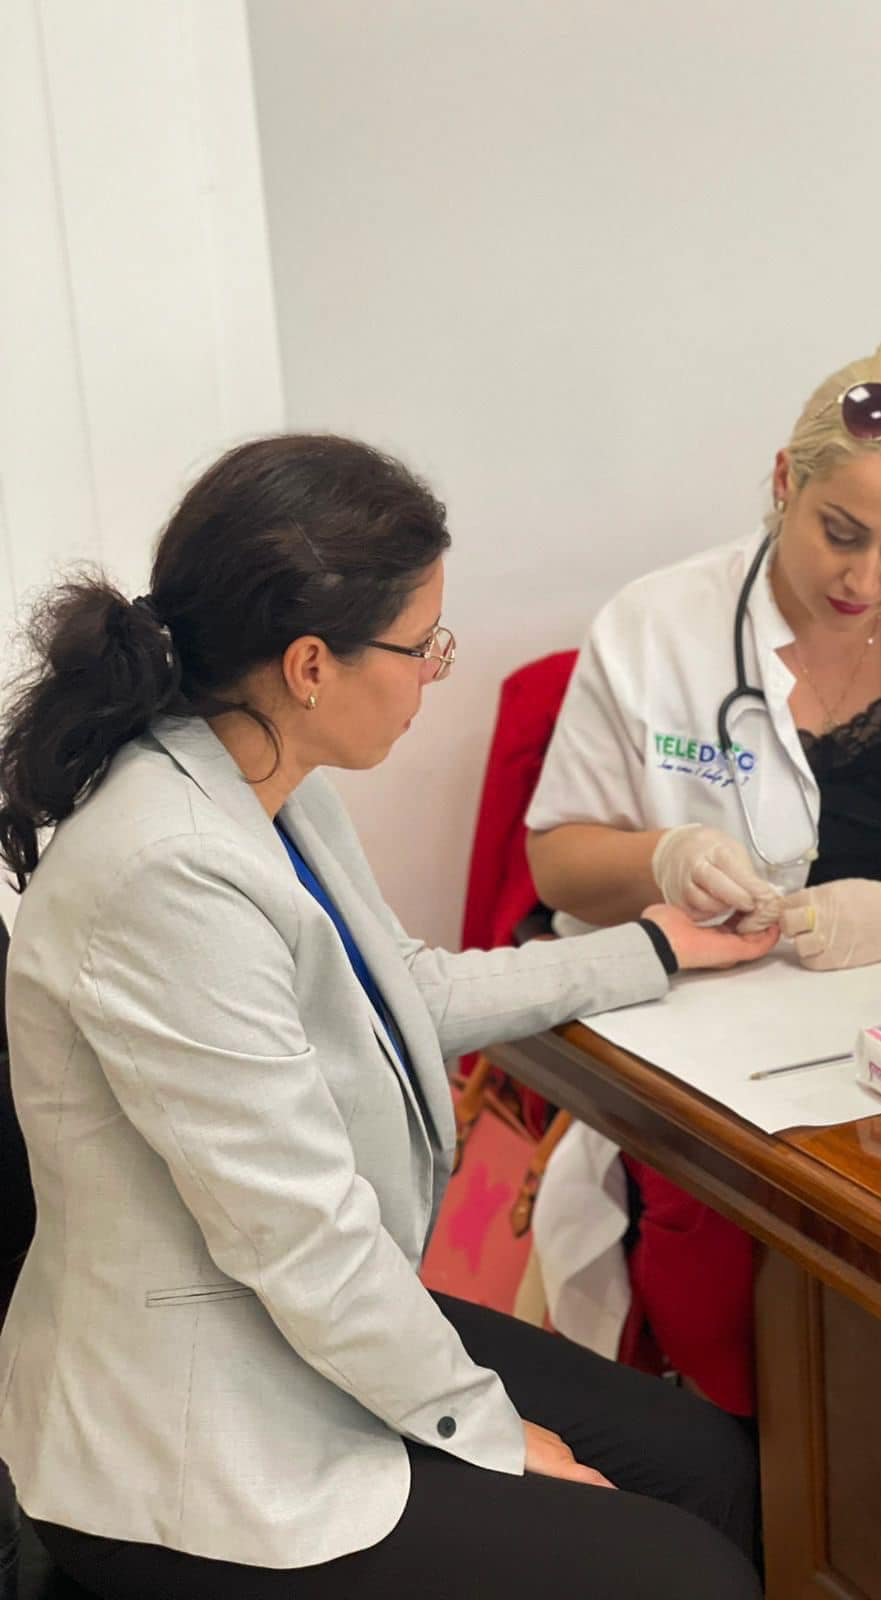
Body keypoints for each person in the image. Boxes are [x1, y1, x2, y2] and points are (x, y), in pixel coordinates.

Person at [0, 435, 779, 1600]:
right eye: (424, 647)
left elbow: (404, 990)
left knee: (715, 1470)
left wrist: (657, 945)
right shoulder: (167, 871)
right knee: (688, 1575)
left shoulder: (269, 786)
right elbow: (300, 1233)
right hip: (199, 1439)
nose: (433, 674)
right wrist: (491, 1432)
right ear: (312, 664)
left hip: (297, 1326)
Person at [524, 327, 881, 1414]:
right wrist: (666, 854)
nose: (866, 578)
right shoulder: (655, 626)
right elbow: (557, 860)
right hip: (712, 1057)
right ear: (784, 483)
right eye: (841, 533)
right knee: (760, 1313)